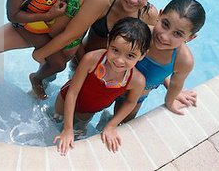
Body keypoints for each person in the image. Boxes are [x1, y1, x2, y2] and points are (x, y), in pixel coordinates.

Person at [53, 17, 151, 155]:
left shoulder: (137, 80)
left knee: (80, 131)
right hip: (65, 100)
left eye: (130, 55)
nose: (119, 60)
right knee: (55, 120)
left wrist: (111, 125)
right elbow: (73, 92)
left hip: (89, 110)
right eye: (115, 50)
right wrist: (67, 128)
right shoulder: (92, 60)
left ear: (142, 55)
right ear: (109, 41)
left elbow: (131, 102)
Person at [114, 0, 206, 122]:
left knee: (122, 125)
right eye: (165, 24)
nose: (164, 36)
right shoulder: (140, 34)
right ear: (160, 14)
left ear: (190, 37)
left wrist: (170, 101)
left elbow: (176, 83)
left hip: (133, 100)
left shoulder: (183, 61)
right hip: (109, 85)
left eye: (178, 34)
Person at [73, 0, 160, 65]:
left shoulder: (149, 15)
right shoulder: (103, 4)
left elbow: (148, 49)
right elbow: (75, 37)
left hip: (117, 71)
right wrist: (85, 65)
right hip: (83, 59)